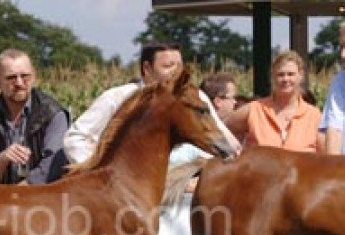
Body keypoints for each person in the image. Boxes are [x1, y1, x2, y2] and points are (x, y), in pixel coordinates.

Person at [63, 41, 240, 166]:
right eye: (168, 66)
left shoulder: (196, 98)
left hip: (182, 194)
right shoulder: (116, 98)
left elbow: (226, 143)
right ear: (147, 69)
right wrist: (99, 172)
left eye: (180, 66)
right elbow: (75, 138)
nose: (176, 73)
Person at [0, 48, 69, 185]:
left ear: (34, 76)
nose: (19, 83)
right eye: (11, 78)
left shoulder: (53, 113)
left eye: (25, 76)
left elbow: (53, 164)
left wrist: (22, 190)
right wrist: (3, 157)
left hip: (44, 195)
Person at [225, 50, 324, 152]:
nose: (285, 79)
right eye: (280, 74)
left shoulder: (315, 116)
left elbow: (326, 159)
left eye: (291, 74)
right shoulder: (253, 110)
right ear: (272, 76)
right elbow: (221, 132)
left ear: (301, 76)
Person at [320, 17, 345, 155]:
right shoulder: (340, 81)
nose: (343, 54)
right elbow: (334, 128)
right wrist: (333, 172)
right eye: (342, 47)